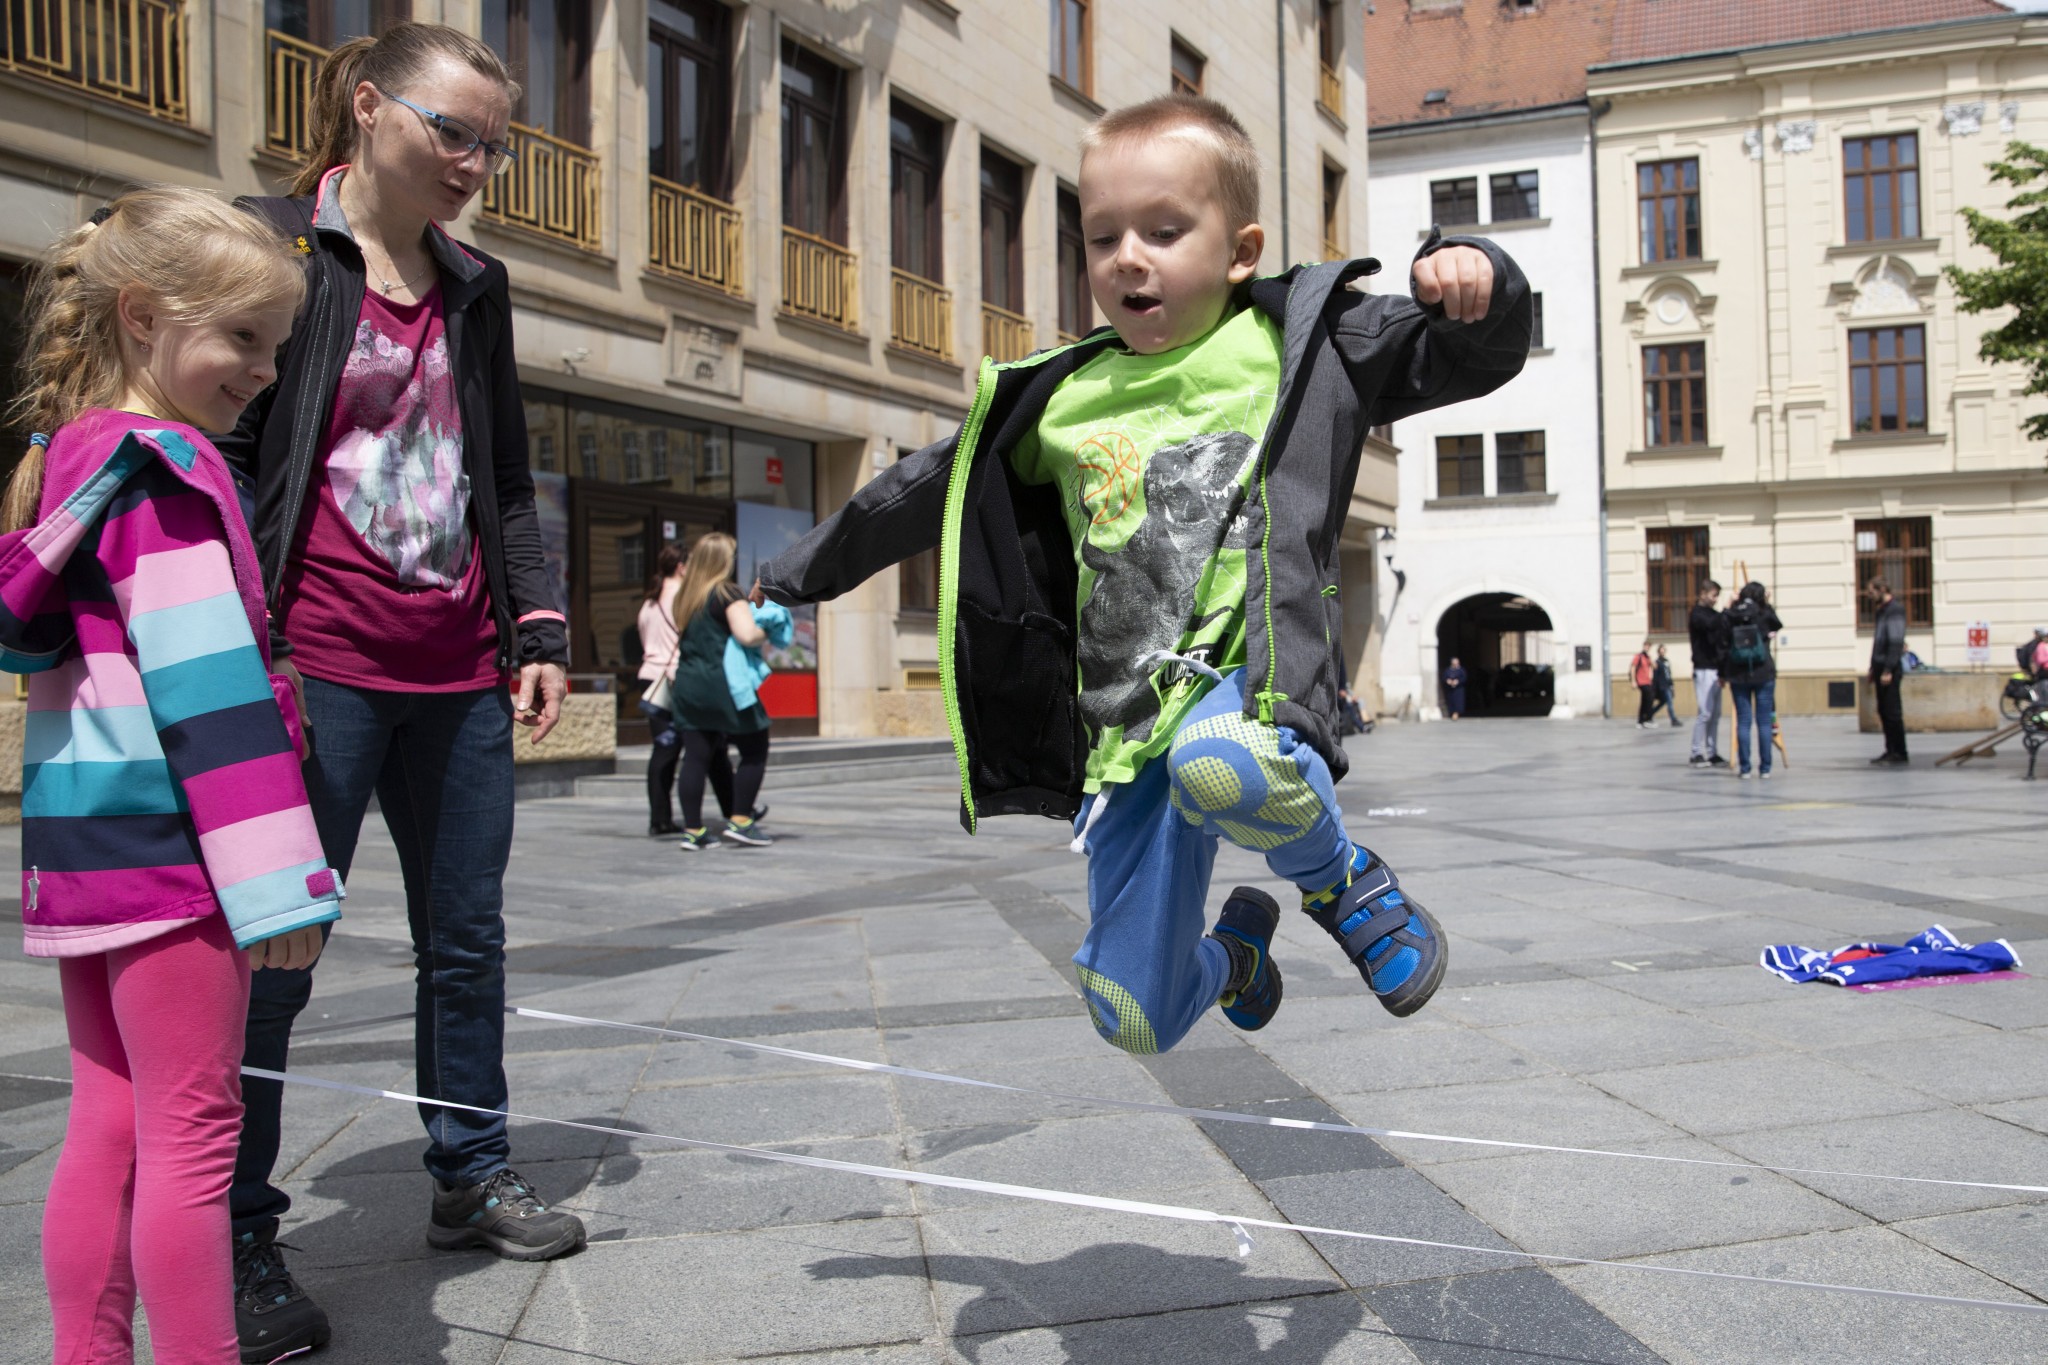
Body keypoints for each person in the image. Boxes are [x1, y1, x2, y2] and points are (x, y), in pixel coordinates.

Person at [758, 94, 1530, 1052]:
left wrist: (1477, 273)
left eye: (1164, 232)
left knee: (1223, 761)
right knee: (1133, 1015)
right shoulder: (1061, 399)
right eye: (1103, 236)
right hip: (1122, 737)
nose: (1129, 257)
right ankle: (1235, 957)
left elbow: (1472, 353)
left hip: (1243, 689)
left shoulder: (1307, 343)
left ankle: (1345, 884)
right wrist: (792, 571)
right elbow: (922, 490)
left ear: (1241, 250)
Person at [215, 23, 586, 1358]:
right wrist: (240, 637)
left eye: (497, 144)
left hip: (457, 673)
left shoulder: (477, 284)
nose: (477, 163)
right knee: (275, 955)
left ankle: (468, 1171)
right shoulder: (272, 248)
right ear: (369, 107)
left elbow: (506, 473)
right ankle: (236, 1226)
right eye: (456, 132)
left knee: (467, 942)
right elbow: (224, 444)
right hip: (313, 667)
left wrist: (535, 623)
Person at [0, 189, 344, 1365]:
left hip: (85, 851)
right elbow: (209, 695)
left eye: (276, 345)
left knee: (108, 1121)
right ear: (143, 316)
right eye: (243, 336)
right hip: (178, 858)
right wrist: (279, 886)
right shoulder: (173, 471)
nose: (264, 370)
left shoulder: (77, 459)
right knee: (194, 1140)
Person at [669, 532, 775, 851]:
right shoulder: (727, 592)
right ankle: (741, 820)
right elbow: (747, 634)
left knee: (695, 758)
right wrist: (768, 629)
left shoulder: (685, 597)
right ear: (722, 560)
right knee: (755, 747)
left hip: (688, 684)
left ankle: (693, 831)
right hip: (724, 684)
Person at [1722, 581, 1783, 779]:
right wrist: (1767, 604)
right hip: (1763, 672)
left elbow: (1721, 632)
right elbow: (1777, 623)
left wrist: (1729, 604)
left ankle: (1745, 768)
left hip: (1738, 674)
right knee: (1764, 721)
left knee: (1743, 721)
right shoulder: (1763, 612)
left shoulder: (1733, 614)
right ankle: (1765, 768)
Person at [1866, 577, 1909, 765]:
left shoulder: (1895, 610)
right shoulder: (1881, 611)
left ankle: (1899, 752)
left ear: (1882, 589)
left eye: (1871, 592)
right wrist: (1872, 667)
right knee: (1883, 710)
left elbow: (1895, 641)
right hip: (1879, 666)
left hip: (1888, 668)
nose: (1870, 596)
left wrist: (1888, 669)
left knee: (1892, 712)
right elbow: (1878, 641)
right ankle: (1889, 749)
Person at [1688, 578, 1729, 767]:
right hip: (1703, 668)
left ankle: (1712, 752)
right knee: (1705, 712)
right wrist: (1727, 609)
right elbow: (1711, 624)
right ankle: (1696, 752)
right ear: (1703, 594)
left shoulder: (1714, 614)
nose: (1715, 599)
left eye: (1717, 596)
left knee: (1715, 714)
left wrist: (1723, 671)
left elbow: (1721, 629)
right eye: (1713, 595)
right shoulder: (1697, 614)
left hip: (1716, 669)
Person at [1650, 645, 1681, 726]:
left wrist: (1672, 685)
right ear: (1658, 652)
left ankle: (1650, 713)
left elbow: (1669, 674)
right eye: (1661, 651)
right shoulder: (1657, 662)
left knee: (1663, 702)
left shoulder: (1667, 661)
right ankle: (1673, 719)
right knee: (1669, 702)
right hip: (1662, 686)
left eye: (1663, 650)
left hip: (1668, 685)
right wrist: (1655, 687)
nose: (1662, 652)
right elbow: (1655, 676)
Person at [1631, 640, 1657, 727]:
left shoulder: (1647, 657)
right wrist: (1633, 681)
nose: (1647, 647)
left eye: (1648, 646)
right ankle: (1647, 719)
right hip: (1641, 681)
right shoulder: (1638, 656)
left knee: (1645, 700)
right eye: (1646, 646)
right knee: (1649, 698)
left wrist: (1650, 658)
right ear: (1643, 646)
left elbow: (1654, 667)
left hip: (1648, 681)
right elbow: (1633, 668)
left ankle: (1641, 721)